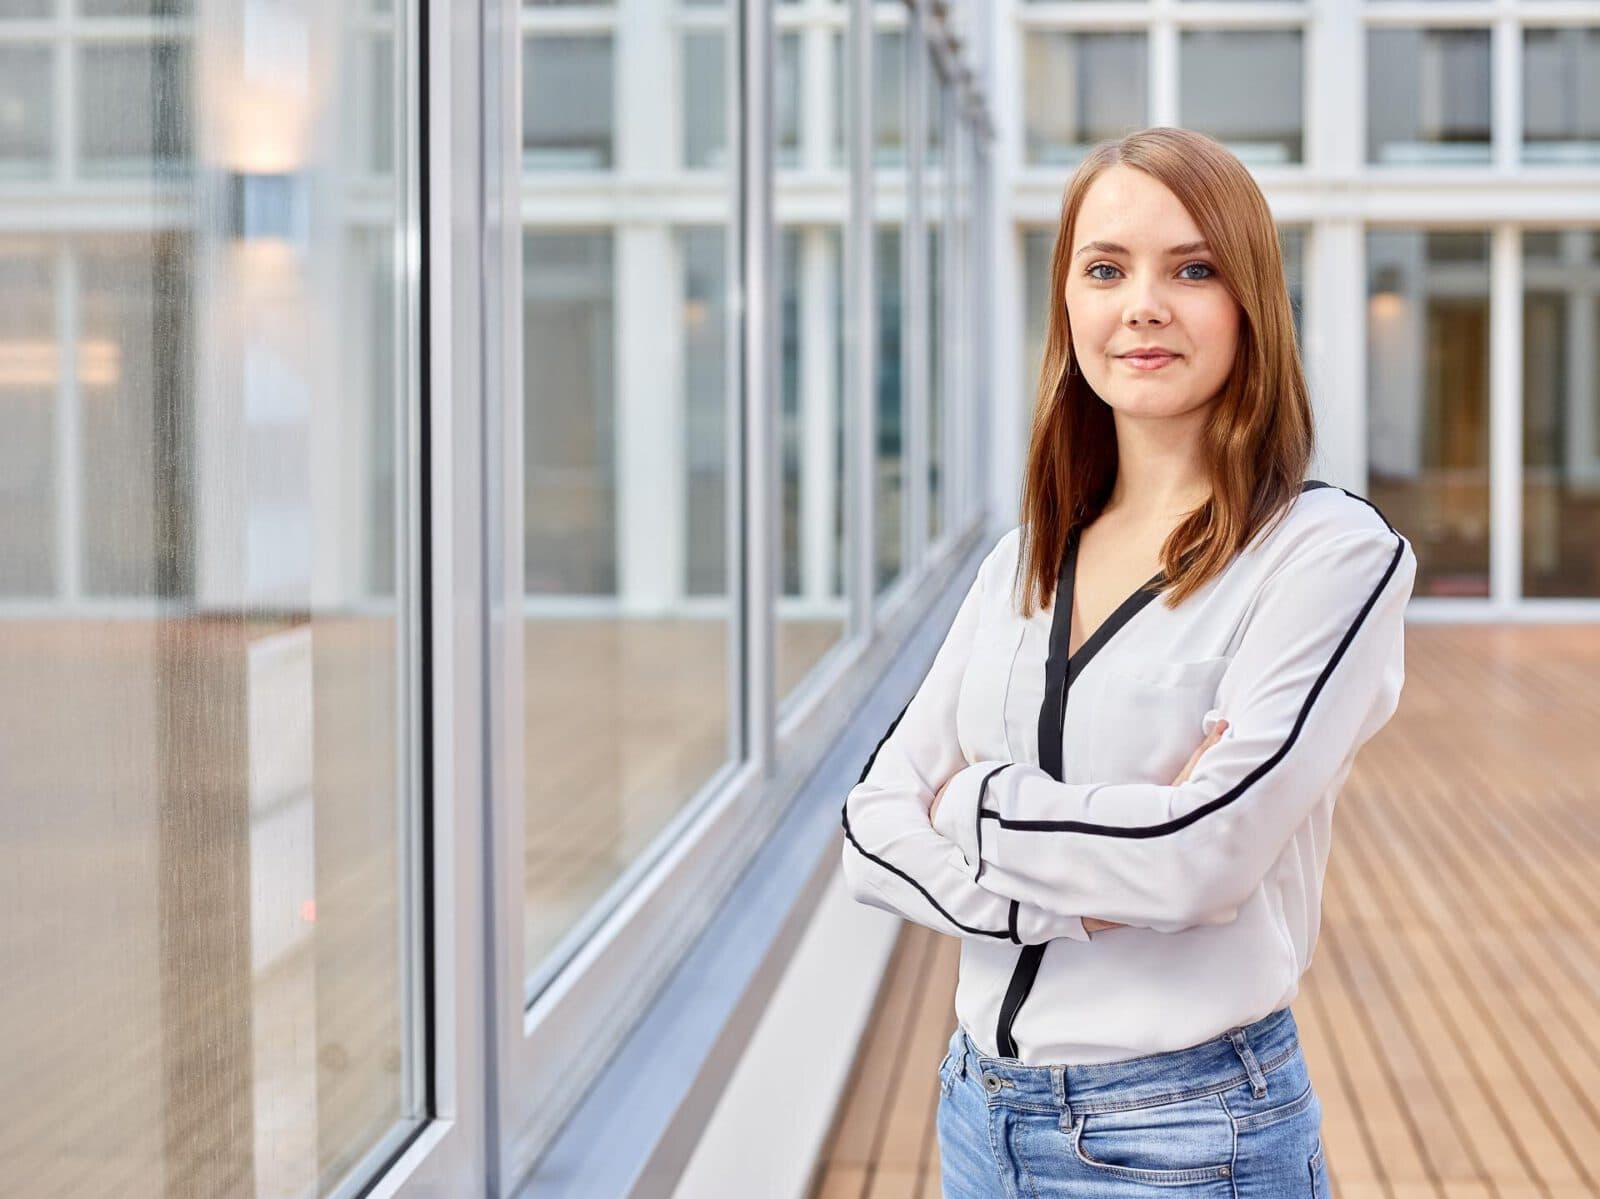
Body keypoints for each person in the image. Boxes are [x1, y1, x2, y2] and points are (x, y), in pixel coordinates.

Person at [838, 126, 1416, 1197]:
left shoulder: (1326, 554)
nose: (1141, 304)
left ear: (1251, 301)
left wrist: (971, 803)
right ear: (1067, 302)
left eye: (1191, 268)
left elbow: (1205, 852)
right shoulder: (1023, 555)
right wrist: (1084, 885)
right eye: (1105, 268)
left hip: (1188, 1132)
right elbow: (869, 826)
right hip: (977, 1112)